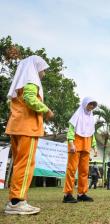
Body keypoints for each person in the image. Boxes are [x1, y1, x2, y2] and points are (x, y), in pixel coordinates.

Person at [4, 47, 54, 215]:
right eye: (43, 70)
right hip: (27, 128)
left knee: (19, 164)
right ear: (35, 68)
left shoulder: (19, 83)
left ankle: (14, 200)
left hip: (16, 127)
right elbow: (30, 99)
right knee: (25, 165)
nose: (44, 74)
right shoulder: (31, 82)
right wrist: (46, 110)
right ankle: (18, 201)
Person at [63, 97, 98, 203]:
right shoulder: (77, 115)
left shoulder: (92, 118)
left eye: (93, 105)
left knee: (84, 171)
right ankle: (67, 194)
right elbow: (70, 130)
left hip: (86, 145)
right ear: (84, 104)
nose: (91, 106)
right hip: (75, 145)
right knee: (72, 170)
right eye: (90, 104)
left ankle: (81, 193)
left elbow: (92, 134)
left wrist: (95, 147)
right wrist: (71, 143)